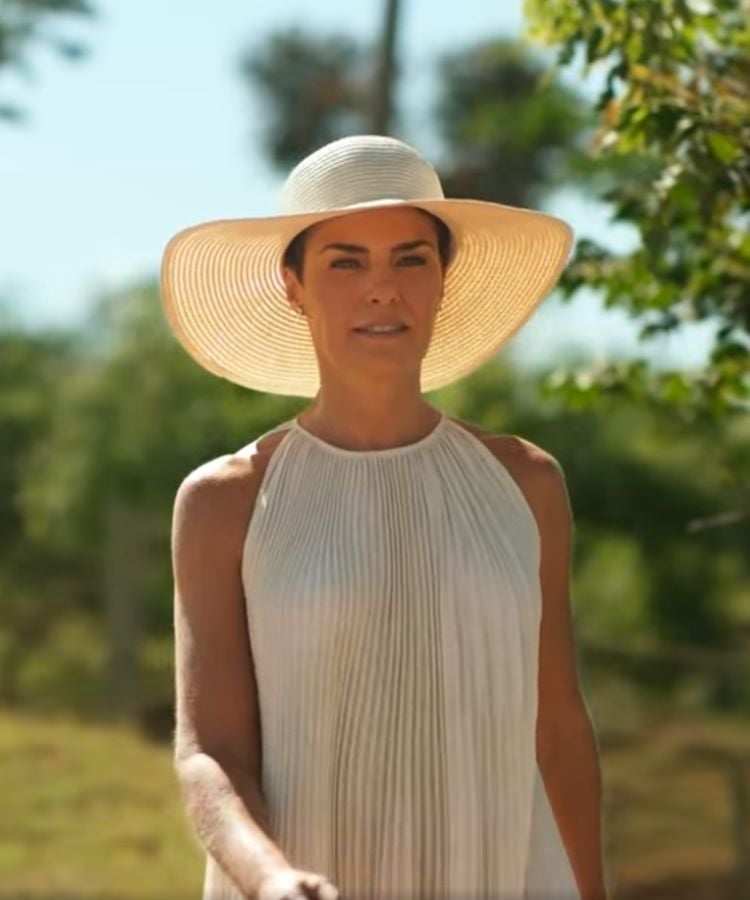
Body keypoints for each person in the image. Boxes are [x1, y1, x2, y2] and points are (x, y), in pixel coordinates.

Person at [161, 134, 608, 900]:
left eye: (410, 259)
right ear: (294, 286)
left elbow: (559, 730)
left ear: (441, 280)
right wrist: (268, 880)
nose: (383, 288)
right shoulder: (225, 501)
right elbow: (211, 752)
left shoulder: (525, 484)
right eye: (345, 262)